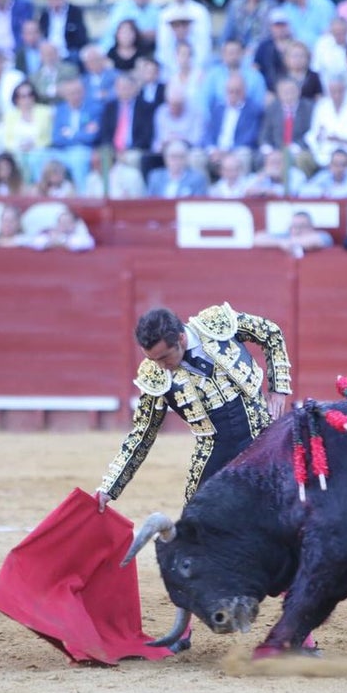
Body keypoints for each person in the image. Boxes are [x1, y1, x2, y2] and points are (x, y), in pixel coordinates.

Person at [95, 303, 292, 509]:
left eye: (163, 357)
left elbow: (271, 333)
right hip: (213, 452)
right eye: (153, 360)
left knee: (284, 508)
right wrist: (109, 487)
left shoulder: (216, 325)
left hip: (262, 435)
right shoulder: (155, 376)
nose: (160, 366)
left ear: (181, 338)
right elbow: (142, 434)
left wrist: (278, 388)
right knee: (194, 523)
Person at [252, 209, 333, 254]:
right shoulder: (286, 237)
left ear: (311, 227)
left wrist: (288, 243)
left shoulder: (323, 236)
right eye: (294, 226)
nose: (297, 230)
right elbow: (257, 238)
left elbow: (314, 241)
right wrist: (280, 243)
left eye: (301, 226)